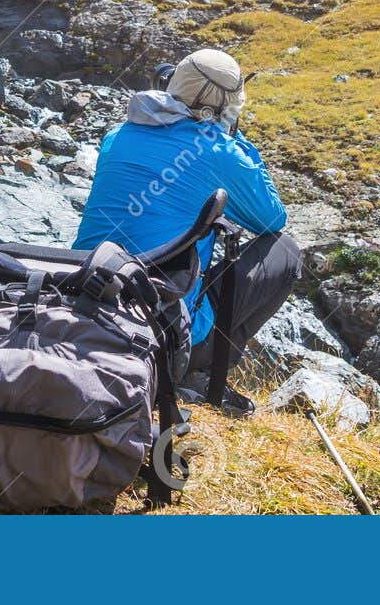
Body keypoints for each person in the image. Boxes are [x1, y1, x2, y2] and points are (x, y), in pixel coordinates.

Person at [73, 48, 301, 413]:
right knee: (285, 251)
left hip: (86, 300)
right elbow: (271, 219)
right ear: (226, 108)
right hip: (159, 332)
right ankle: (201, 370)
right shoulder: (220, 152)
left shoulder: (117, 135)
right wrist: (233, 135)